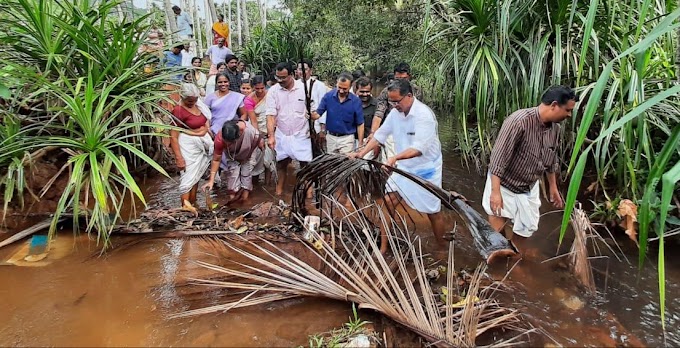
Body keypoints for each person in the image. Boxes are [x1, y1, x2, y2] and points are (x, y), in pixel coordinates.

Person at [350, 79, 444, 254]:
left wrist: (394, 158)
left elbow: (419, 149)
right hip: (404, 167)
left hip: (426, 170)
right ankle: (384, 246)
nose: (394, 106)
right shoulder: (394, 113)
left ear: (409, 96)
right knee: (387, 202)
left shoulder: (424, 116)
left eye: (397, 101)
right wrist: (361, 154)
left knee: (433, 211)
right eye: (391, 102)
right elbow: (380, 135)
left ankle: (441, 248)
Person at [482, 85, 575, 257]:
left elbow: (551, 160)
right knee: (496, 225)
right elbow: (498, 159)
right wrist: (495, 192)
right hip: (504, 183)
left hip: (529, 186)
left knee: (527, 227)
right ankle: (495, 258)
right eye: (567, 110)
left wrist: (553, 188)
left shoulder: (555, 129)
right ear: (554, 105)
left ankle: (514, 254)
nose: (569, 115)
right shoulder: (518, 121)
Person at [266, 62, 318, 196]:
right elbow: (270, 115)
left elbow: (315, 111)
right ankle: (279, 193)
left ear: (292, 74)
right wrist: (271, 135)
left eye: (283, 77)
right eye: (278, 77)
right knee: (281, 164)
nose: (280, 81)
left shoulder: (305, 88)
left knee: (306, 165)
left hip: (301, 131)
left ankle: (309, 195)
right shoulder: (273, 91)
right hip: (282, 132)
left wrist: (316, 126)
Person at [170, 84, 213, 208]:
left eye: (194, 101)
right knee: (188, 175)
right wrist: (179, 157)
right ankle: (185, 206)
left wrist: (202, 131)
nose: (192, 103)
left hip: (200, 146)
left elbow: (206, 122)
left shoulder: (199, 105)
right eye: (189, 101)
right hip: (187, 146)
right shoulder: (178, 111)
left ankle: (193, 202)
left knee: (196, 176)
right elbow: (173, 135)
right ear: (182, 97)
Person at [370, 62, 423, 162]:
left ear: (409, 77)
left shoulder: (416, 91)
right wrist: (373, 134)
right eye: (397, 79)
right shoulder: (387, 92)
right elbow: (379, 114)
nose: (400, 82)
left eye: (403, 79)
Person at [202, 120, 261, 203]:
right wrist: (211, 181)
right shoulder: (219, 140)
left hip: (249, 152)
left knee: (246, 174)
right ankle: (233, 201)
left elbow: (256, 139)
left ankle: (245, 200)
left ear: (239, 135)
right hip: (232, 155)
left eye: (230, 143)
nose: (227, 144)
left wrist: (248, 155)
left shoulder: (249, 131)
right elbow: (216, 159)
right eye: (226, 142)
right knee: (233, 176)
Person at [315, 73, 364, 155]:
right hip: (331, 137)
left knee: (346, 164)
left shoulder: (356, 101)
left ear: (351, 86)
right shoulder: (328, 96)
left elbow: (360, 124)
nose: (341, 91)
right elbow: (317, 114)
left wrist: (360, 143)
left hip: (347, 139)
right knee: (331, 163)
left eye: (345, 89)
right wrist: (311, 115)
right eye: (339, 87)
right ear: (336, 83)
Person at [245, 76, 276, 185]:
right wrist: (259, 138)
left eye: (262, 88)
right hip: (256, 131)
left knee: (269, 160)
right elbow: (253, 121)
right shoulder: (249, 99)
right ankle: (255, 185)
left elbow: (273, 114)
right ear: (253, 87)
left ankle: (267, 184)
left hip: (270, 130)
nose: (260, 91)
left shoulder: (271, 95)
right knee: (255, 160)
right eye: (257, 88)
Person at [296, 59, 328, 145]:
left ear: (311, 70)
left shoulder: (319, 85)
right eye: (299, 69)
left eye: (305, 69)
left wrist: (322, 128)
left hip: (315, 126)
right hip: (298, 127)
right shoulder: (294, 85)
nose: (302, 71)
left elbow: (323, 107)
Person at [354, 77, 379, 159]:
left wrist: (376, 144)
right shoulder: (351, 103)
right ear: (356, 90)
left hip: (368, 141)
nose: (365, 94)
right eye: (362, 91)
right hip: (351, 141)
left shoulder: (377, 105)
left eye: (367, 91)